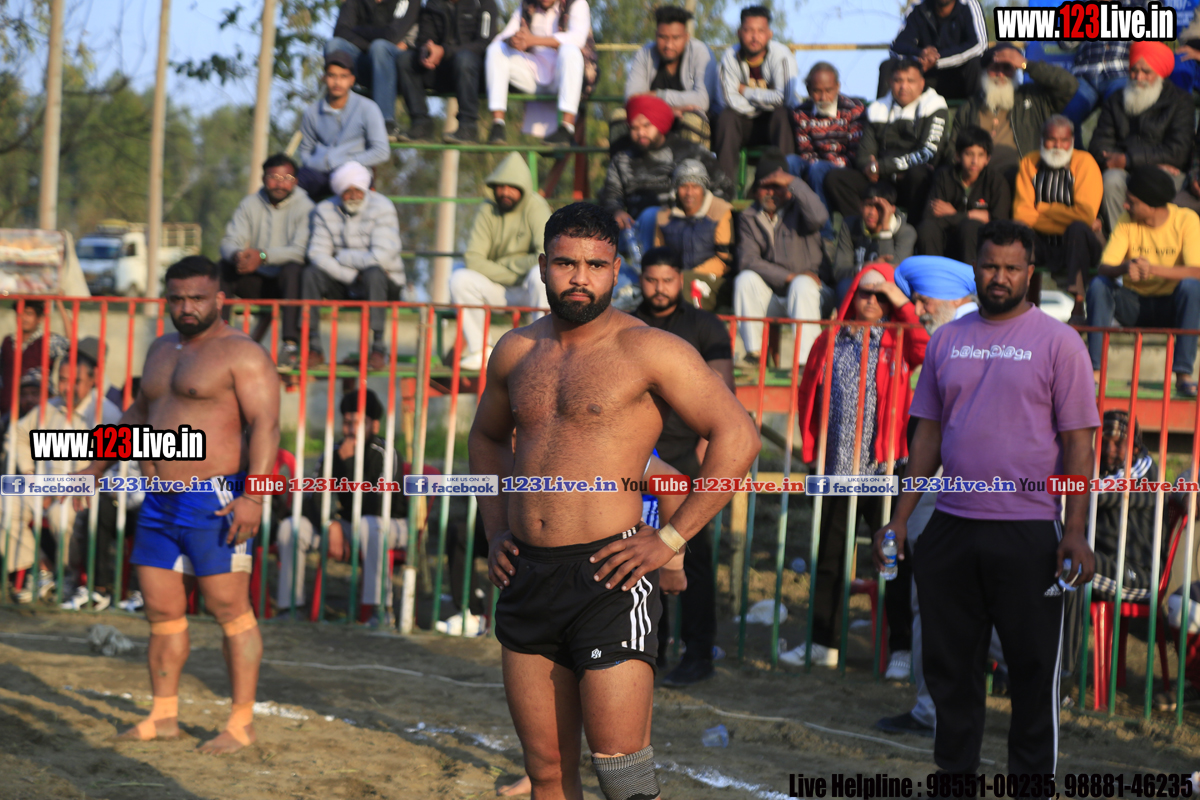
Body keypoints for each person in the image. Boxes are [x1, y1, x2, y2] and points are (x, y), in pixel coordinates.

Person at [468, 202, 759, 800]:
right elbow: (487, 438)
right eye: (566, 264)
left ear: (615, 270)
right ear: (543, 266)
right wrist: (495, 531)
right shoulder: (515, 350)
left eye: (596, 265)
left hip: (611, 576)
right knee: (548, 773)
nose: (581, 278)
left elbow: (738, 436)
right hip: (527, 573)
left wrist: (671, 539)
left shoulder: (648, 349)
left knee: (622, 775)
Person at [874, 220, 1099, 776]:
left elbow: (1079, 444)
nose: (1000, 277)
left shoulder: (1060, 343)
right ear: (976, 270)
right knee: (951, 675)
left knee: (1032, 676)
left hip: (1029, 530)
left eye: (1011, 268)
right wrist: (900, 519)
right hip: (952, 527)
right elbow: (927, 435)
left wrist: (1074, 531)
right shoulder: (947, 339)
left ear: (1030, 272)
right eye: (990, 266)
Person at [77, 255, 281, 754]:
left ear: (220, 299)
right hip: (159, 500)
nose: (187, 307)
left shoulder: (242, 353)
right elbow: (138, 414)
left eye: (197, 298)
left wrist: (254, 495)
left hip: (215, 498)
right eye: (177, 298)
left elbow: (267, 426)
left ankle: (241, 724)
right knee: (162, 611)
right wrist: (93, 466)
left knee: (229, 609)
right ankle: (163, 716)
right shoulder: (160, 349)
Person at [786, 264, 927, 670]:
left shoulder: (899, 339)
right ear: (852, 294)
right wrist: (810, 449)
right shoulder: (830, 339)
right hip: (836, 469)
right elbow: (807, 394)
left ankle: (901, 650)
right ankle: (823, 643)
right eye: (866, 291)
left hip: (885, 469)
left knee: (893, 560)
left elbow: (927, 348)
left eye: (881, 295)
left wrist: (900, 301)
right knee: (829, 559)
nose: (872, 300)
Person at [631, 247, 733, 687]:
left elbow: (723, 393)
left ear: (680, 279)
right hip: (634, 459)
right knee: (639, 554)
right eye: (651, 280)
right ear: (640, 279)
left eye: (667, 280)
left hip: (688, 460)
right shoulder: (627, 323)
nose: (659, 288)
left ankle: (697, 653)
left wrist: (712, 463)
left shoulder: (704, 325)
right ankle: (648, 651)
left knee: (693, 559)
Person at [12, 338, 127, 609]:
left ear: (92, 381)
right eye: (62, 380)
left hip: (83, 491)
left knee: (61, 515)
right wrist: (28, 473)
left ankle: (68, 577)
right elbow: (19, 434)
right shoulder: (49, 407)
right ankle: (43, 569)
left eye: (76, 381)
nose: (67, 387)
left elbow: (113, 466)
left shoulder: (107, 414)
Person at [274, 389, 407, 621]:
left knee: (370, 525)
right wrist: (330, 523)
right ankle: (291, 609)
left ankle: (380, 613)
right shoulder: (333, 452)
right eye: (347, 423)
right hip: (347, 526)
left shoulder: (385, 453)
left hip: (390, 525)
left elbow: (378, 505)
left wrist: (350, 464)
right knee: (291, 527)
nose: (351, 430)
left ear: (375, 425)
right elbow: (312, 499)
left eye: (358, 423)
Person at [1086, 166, 1200, 397]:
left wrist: (1153, 270)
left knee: (1192, 287)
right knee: (1099, 285)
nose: (1125, 205)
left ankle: (1183, 375)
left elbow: (1196, 271)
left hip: (1172, 307)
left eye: (1132, 201)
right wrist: (1125, 267)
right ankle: (1095, 373)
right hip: (1134, 305)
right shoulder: (1127, 221)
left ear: (1152, 204)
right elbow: (1104, 267)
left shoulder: (1186, 220)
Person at [451, 152, 552, 370]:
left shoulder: (536, 206)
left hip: (527, 288)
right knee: (460, 278)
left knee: (540, 274)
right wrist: (510, 272)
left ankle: (542, 350)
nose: (505, 192)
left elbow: (545, 254)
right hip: (498, 287)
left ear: (523, 187)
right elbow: (473, 259)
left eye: (511, 186)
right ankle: (480, 351)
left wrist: (507, 265)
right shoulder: (487, 209)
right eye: (501, 186)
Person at [599, 93, 733, 256]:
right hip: (639, 230)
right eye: (634, 128)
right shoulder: (622, 159)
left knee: (654, 215)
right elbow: (610, 195)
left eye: (646, 126)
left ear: (659, 123)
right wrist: (616, 212)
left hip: (689, 226)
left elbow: (724, 188)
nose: (640, 133)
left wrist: (699, 214)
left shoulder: (691, 152)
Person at [734, 148, 833, 366]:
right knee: (745, 279)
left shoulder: (801, 209)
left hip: (814, 294)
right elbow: (748, 260)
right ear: (756, 189)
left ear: (787, 188)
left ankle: (806, 363)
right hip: (776, 294)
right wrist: (789, 277)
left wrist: (793, 181)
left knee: (802, 284)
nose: (771, 193)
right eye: (766, 186)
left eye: (777, 186)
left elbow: (820, 217)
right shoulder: (748, 216)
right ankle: (754, 355)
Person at [304, 161, 404, 372]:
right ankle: (313, 346)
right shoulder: (324, 210)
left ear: (365, 189)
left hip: (384, 282)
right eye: (347, 191)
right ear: (339, 191)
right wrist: (350, 275)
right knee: (311, 274)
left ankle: (378, 348)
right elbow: (317, 254)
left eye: (357, 190)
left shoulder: (382, 206)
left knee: (374, 273)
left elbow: (381, 257)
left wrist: (342, 256)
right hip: (345, 281)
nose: (353, 196)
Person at [825, 57, 949, 225]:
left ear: (921, 83)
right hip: (881, 181)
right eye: (898, 80)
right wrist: (871, 168)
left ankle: (913, 233)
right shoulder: (878, 108)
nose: (903, 86)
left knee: (919, 174)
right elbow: (864, 153)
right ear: (890, 82)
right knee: (835, 178)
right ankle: (865, 230)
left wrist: (882, 167)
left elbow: (928, 153)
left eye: (910, 81)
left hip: (911, 180)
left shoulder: (935, 105)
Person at [218, 153, 314, 365]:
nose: (280, 183)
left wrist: (262, 256)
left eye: (287, 178)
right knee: (223, 266)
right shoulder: (250, 203)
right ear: (263, 179)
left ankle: (290, 344)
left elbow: (301, 251)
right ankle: (218, 335)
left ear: (295, 181)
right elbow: (229, 241)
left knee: (294, 269)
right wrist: (237, 255)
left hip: (287, 285)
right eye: (273, 177)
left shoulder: (306, 207)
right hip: (256, 280)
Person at [1089, 41, 1195, 232]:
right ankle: (1120, 242)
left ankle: (1154, 245)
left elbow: (1178, 152)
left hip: (1164, 172)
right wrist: (1124, 161)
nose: (1138, 77)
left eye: (1146, 72)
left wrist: (1127, 159)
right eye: (1134, 70)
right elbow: (1099, 145)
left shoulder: (1181, 101)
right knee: (1111, 180)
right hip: (1126, 169)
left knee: (1153, 182)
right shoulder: (1116, 100)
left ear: (1160, 73)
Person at [1013, 115, 1103, 323]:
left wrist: (1044, 208)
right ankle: (1023, 305)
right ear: (1041, 139)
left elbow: (1085, 215)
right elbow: (1021, 214)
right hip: (1043, 243)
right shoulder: (1029, 163)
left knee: (1078, 229)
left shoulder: (1085, 163)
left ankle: (1078, 307)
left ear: (1072, 141)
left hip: (1079, 243)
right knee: (1019, 230)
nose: (1058, 146)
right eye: (1052, 140)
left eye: (1064, 140)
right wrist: (1065, 217)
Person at [950, 44, 1078, 182]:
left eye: (1007, 68)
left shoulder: (1034, 98)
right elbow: (953, 149)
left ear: (1016, 70)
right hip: (979, 182)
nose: (1000, 74)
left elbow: (1069, 85)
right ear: (985, 71)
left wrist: (1026, 64)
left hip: (1024, 180)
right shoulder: (969, 108)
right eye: (995, 68)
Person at [485, 0, 596, 146]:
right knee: (496, 49)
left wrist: (532, 41)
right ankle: (498, 125)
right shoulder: (527, 5)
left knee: (571, 51)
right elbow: (502, 36)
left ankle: (566, 128)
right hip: (532, 75)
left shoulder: (577, 4)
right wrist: (514, 40)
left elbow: (577, 39)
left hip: (561, 79)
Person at [712, 6, 798, 181]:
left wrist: (745, 91)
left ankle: (786, 185)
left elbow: (783, 99)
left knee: (783, 114)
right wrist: (765, 101)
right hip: (744, 123)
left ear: (769, 34)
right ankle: (724, 187)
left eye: (760, 31)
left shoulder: (782, 56)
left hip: (773, 124)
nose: (754, 36)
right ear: (739, 33)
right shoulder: (729, 57)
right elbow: (729, 100)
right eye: (749, 30)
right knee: (726, 117)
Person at [395, 0, 499, 144]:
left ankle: (468, 126)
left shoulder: (485, 3)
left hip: (473, 74)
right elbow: (425, 38)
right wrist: (426, 50)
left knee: (465, 60)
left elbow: (484, 43)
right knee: (405, 60)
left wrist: (445, 51)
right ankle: (421, 124)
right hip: (441, 69)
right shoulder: (432, 4)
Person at [615, 5, 717, 150]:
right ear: (656, 35)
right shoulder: (645, 53)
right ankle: (622, 164)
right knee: (619, 116)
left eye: (676, 38)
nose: (669, 45)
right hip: (652, 121)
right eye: (663, 37)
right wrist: (667, 111)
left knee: (693, 120)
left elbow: (702, 100)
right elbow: (632, 99)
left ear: (686, 37)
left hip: (688, 119)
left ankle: (694, 165)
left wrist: (657, 95)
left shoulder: (701, 52)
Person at [296, 52, 391, 200]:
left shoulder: (368, 108)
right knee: (292, 184)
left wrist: (345, 161)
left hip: (354, 170)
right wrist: (320, 163)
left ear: (352, 80)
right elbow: (305, 152)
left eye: (343, 76)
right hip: (320, 170)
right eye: (332, 76)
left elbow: (381, 151)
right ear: (324, 78)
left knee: (351, 187)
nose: (337, 82)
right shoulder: (312, 112)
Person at [324, 0, 422, 141]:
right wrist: (369, 47)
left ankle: (385, 122)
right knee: (334, 46)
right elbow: (340, 31)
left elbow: (391, 35)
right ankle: (335, 117)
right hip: (366, 59)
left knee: (380, 48)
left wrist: (357, 30)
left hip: (398, 66)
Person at [788, 62, 865, 237]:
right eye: (817, 91)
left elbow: (855, 152)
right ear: (808, 90)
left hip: (844, 168)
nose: (823, 97)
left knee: (819, 170)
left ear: (837, 87)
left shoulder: (853, 109)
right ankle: (790, 227)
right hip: (813, 163)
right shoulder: (801, 112)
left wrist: (826, 164)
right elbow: (805, 149)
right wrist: (818, 163)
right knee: (790, 162)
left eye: (828, 90)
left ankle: (824, 234)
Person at [1061, 0, 1150, 148]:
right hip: (1085, 74)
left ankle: (1114, 159)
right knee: (1065, 120)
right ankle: (1079, 160)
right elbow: (1065, 43)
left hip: (1119, 72)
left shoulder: (1135, 5)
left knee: (1120, 117)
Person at [918, 125, 1009, 264]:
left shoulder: (996, 182)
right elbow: (930, 216)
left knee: (970, 227)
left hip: (978, 246)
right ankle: (932, 275)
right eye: (969, 154)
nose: (974, 161)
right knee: (927, 228)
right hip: (946, 240)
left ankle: (971, 277)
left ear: (987, 159)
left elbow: (999, 224)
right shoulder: (944, 176)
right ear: (957, 156)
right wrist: (970, 215)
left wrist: (954, 215)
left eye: (980, 155)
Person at [652, 161, 734, 311]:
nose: (689, 193)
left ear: (703, 189)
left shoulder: (721, 210)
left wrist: (687, 276)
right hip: (675, 278)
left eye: (695, 186)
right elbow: (658, 255)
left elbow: (724, 259)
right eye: (684, 186)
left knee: (686, 291)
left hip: (715, 280)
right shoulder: (664, 215)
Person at [885, 0, 986, 101]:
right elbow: (896, 48)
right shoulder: (918, 8)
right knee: (888, 65)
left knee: (974, 62)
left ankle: (977, 108)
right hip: (925, 79)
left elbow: (979, 45)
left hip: (959, 78)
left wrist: (937, 60)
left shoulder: (969, 5)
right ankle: (881, 108)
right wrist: (921, 55)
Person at [833, 182, 918, 302]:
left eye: (879, 207)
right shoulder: (850, 225)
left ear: (891, 209)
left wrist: (885, 230)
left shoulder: (906, 232)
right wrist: (864, 268)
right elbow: (839, 271)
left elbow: (892, 273)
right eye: (868, 205)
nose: (872, 212)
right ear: (860, 206)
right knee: (844, 286)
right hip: (859, 285)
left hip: (890, 290)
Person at [0, 300, 68, 418]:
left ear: (39, 318)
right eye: (20, 313)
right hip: (8, 410)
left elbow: (71, 343)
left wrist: (59, 303)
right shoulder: (8, 341)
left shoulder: (48, 341)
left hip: (38, 411)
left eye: (29, 314)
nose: (23, 318)